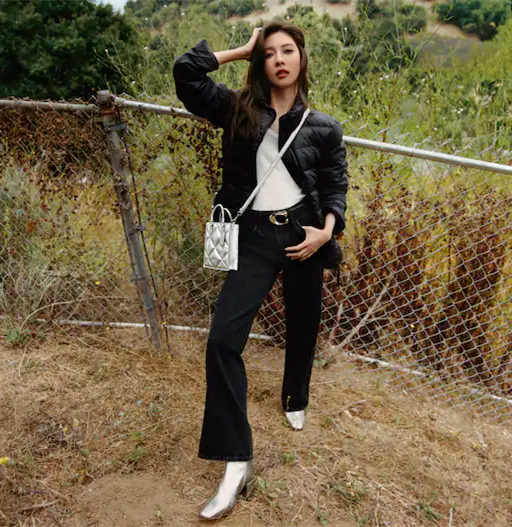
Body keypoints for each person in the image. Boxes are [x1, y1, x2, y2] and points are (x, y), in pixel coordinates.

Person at [173, 21, 348, 520]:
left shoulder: (324, 126)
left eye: (287, 50)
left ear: (301, 58)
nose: (278, 59)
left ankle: (295, 397)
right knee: (222, 340)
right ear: (260, 62)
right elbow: (186, 74)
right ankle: (236, 459)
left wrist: (326, 232)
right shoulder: (237, 110)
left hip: (302, 235)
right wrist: (239, 50)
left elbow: (335, 184)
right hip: (251, 237)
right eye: (268, 53)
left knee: (303, 324)